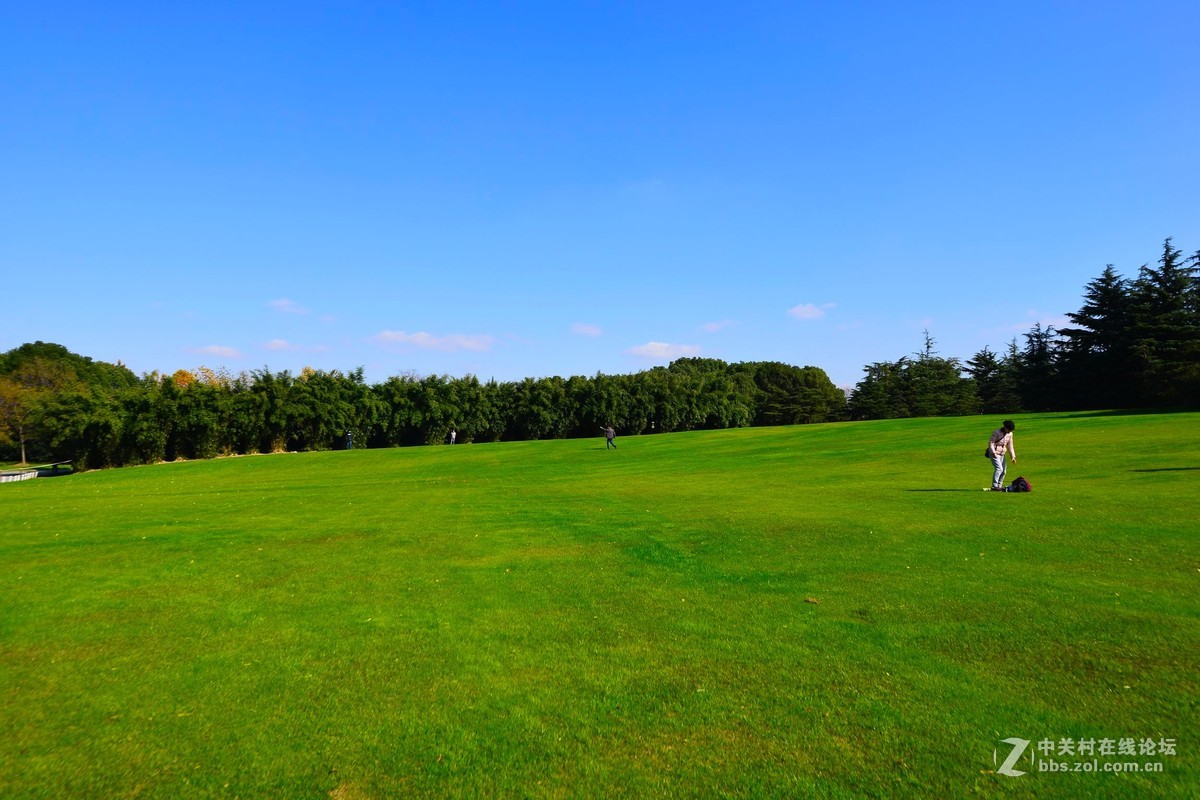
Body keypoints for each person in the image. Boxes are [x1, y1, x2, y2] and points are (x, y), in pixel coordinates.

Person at [985, 420, 1016, 491]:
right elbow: (991, 443)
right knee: (999, 468)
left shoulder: (1010, 434)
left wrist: (1013, 456)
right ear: (1005, 427)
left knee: (1004, 471)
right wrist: (993, 452)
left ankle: (999, 485)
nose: (1010, 431)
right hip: (994, 453)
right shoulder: (996, 432)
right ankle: (994, 486)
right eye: (1009, 429)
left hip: (1002, 453)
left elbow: (1010, 445)